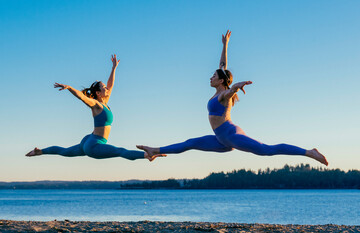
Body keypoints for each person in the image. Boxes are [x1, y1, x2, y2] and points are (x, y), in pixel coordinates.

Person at [137, 31, 328, 166]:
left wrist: (236, 87)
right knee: (190, 143)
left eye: (213, 76)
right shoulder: (219, 88)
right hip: (222, 139)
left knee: (266, 150)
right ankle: (155, 150)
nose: (210, 77)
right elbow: (223, 65)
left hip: (230, 135)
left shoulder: (223, 95)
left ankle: (309, 152)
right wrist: (225, 45)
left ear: (221, 81)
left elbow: (229, 92)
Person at [26, 54, 165, 162]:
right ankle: (147, 155)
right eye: (103, 87)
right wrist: (69, 88)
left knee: (65, 151)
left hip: (89, 139)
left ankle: (40, 152)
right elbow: (82, 97)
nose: (107, 88)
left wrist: (114, 68)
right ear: (98, 93)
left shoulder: (104, 102)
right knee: (120, 151)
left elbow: (111, 84)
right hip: (94, 144)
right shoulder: (96, 105)